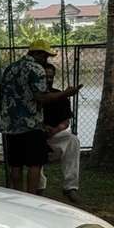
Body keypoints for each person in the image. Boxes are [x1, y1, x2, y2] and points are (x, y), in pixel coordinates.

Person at [0, 40, 82, 193]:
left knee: (15, 165)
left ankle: (17, 195)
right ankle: (31, 197)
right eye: (45, 56)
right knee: (34, 164)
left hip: (10, 125)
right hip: (31, 125)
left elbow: (1, 95)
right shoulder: (36, 69)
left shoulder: (10, 68)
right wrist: (66, 93)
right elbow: (41, 97)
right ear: (37, 53)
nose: (46, 60)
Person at [39, 62, 82, 205]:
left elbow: (66, 122)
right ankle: (39, 186)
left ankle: (70, 187)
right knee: (33, 140)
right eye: (45, 77)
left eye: (51, 77)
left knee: (72, 140)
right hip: (35, 134)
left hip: (54, 135)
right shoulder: (32, 96)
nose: (48, 80)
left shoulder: (60, 95)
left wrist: (55, 130)